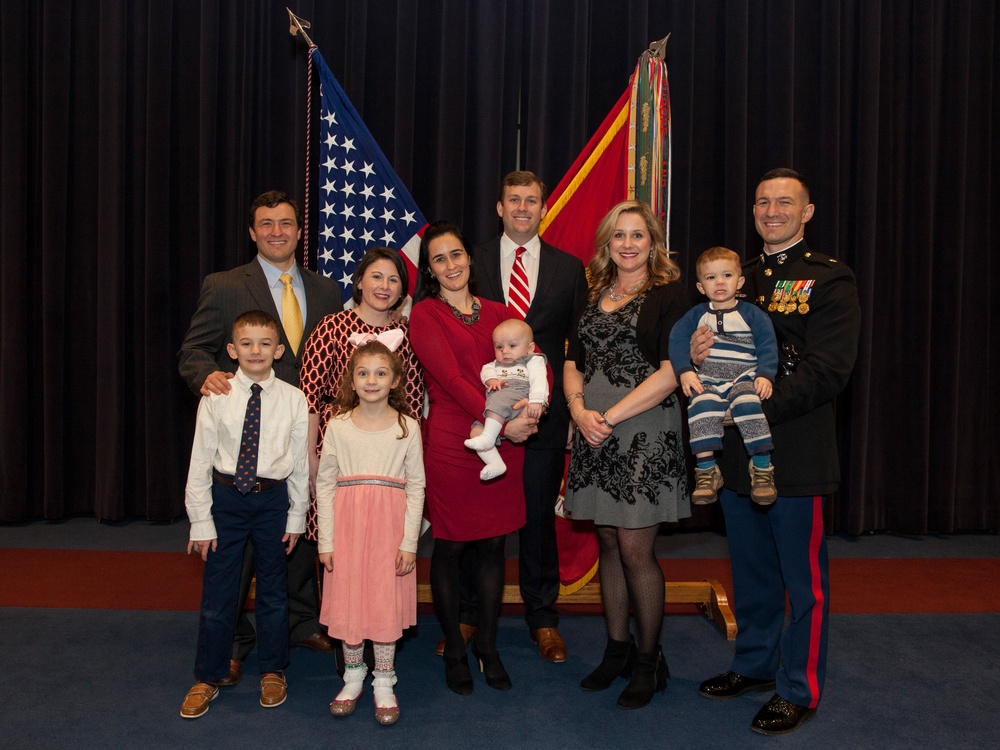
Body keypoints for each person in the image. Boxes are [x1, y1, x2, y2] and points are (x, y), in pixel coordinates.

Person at [695, 169, 860, 736]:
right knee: (751, 569)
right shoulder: (736, 277)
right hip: (737, 452)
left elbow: (829, 370)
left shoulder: (829, 279)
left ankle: (800, 686)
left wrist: (753, 407)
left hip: (796, 449)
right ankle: (755, 664)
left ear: (807, 212)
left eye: (785, 202)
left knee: (802, 580)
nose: (771, 210)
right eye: (763, 201)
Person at [178, 190, 343, 687]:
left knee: (295, 534)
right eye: (266, 223)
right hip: (244, 427)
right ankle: (233, 643)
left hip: (309, 428)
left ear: (299, 230)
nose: (277, 231)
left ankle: (297, 623)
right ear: (253, 232)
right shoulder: (225, 285)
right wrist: (207, 376)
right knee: (237, 558)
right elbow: (194, 351)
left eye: (286, 223)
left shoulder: (326, 289)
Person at [563, 200, 690, 710]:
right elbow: (573, 360)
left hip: (643, 431)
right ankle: (616, 649)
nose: (630, 244)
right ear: (607, 245)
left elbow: (670, 371)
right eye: (620, 236)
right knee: (609, 543)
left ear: (653, 243)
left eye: (639, 235)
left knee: (636, 548)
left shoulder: (670, 296)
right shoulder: (594, 294)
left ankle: (648, 659)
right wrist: (578, 411)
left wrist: (609, 417)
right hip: (592, 431)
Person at [409, 221, 545, 695]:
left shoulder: (499, 312)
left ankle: (487, 645)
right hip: (453, 443)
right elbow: (450, 379)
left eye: (457, 254)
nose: (451, 265)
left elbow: (535, 361)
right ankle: (456, 646)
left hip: (505, 444)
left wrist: (531, 412)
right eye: (440, 258)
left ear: (470, 258)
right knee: (449, 547)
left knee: (493, 548)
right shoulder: (424, 314)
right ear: (430, 268)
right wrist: (501, 423)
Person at [468, 170, 588, 663]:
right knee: (483, 525)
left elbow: (578, 346)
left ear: (543, 208)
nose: (522, 208)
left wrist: (578, 412)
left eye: (531, 201)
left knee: (539, 519)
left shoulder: (569, 267)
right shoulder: (470, 262)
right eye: (513, 200)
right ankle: (471, 617)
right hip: (484, 415)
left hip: (546, 417)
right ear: (499, 207)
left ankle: (543, 618)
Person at [180, 310, 309, 718]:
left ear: (279, 350)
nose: (256, 351)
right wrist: (201, 519)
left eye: (265, 343)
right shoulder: (216, 395)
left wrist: (296, 516)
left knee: (274, 591)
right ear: (232, 350)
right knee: (219, 593)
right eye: (247, 344)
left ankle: (273, 669)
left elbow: (301, 465)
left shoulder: (294, 398)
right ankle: (208, 675)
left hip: (272, 502)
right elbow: (200, 460)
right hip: (227, 501)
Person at [314, 339, 425, 726]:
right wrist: (325, 540)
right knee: (350, 601)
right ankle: (353, 677)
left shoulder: (406, 427)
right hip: (346, 528)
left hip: (388, 531)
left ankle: (383, 681)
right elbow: (325, 484)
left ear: (395, 380)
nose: (371, 380)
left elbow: (417, 486)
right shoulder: (339, 425)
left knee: (381, 601)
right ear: (352, 380)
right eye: (363, 373)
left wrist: (409, 542)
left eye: (380, 373)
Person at [299, 246, 424, 551]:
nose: (384, 286)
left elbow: (415, 399)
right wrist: (310, 457)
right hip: (336, 446)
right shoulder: (330, 327)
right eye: (376, 277)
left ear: (402, 292)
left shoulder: (408, 334)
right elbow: (309, 397)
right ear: (358, 282)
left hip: (389, 453)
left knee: (384, 541)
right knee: (336, 535)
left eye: (393, 280)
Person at [668, 246, 778, 505]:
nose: (719, 282)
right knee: (701, 406)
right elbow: (677, 341)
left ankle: (762, 469)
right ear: (700, 286)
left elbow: (767, 345)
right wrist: (684, 371)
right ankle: (706, 471)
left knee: (748, 404)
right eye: (710, 277)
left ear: (739, 281)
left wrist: (765, 375)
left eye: (726, 275)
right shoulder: (696, 315)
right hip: (709, 379)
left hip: (743, 378)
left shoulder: (752, 314)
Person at [464, 319, 548, 480]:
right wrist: (492, 381)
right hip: (495, 409)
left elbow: (539, 379)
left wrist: (536, 400)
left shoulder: (532, 360)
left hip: (518, 394)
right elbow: (485, 371)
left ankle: (489, 438)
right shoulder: (494, 365)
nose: (505, 351)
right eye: (499, 347)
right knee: (475, 431)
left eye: (512, 346)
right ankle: (496, 463)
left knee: (499, 399)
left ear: (530, 348)